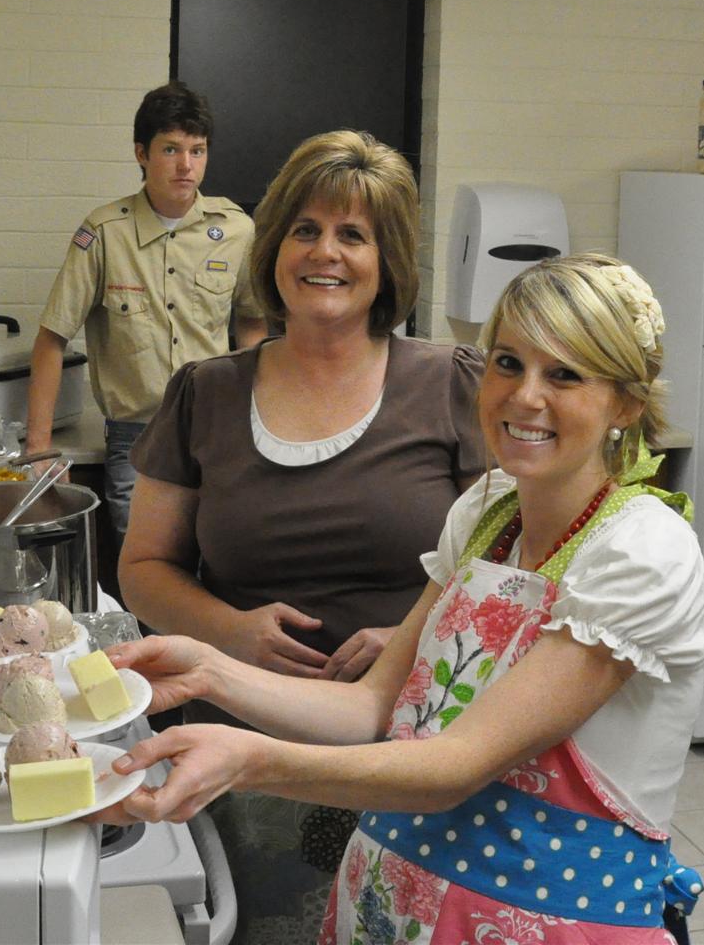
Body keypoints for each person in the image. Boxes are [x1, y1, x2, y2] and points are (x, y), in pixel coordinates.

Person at [109, 253, 704, 945]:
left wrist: (250, 761)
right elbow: (373, 706)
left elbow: (455, 766)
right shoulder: (486, 514)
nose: (524, 397)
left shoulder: (639, 552)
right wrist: (210, 670)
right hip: (392, 905)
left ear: (627, 403)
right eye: (508, 363)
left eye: (565, 374)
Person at [121, 129, 489, 942]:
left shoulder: (451, 385)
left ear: (387, 261)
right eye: (306, 229)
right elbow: (143, 566)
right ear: (275, 247)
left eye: (354, 234)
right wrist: (229, 631)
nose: (326, 252)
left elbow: (506, 570)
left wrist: (411, 635)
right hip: (240, 751)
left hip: (408, 745)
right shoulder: (205, 394)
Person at [27, 82, 266, 545]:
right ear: (142, 153)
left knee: (218, 553)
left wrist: (255, 412)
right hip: (137, 437)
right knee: (142, 561)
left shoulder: (237, 230)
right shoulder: (105, 232)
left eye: (197, 150)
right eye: (171, 149)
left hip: (216, 428)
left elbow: (253, 323)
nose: (186, 165)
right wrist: (39, 448)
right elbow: (52, 338)